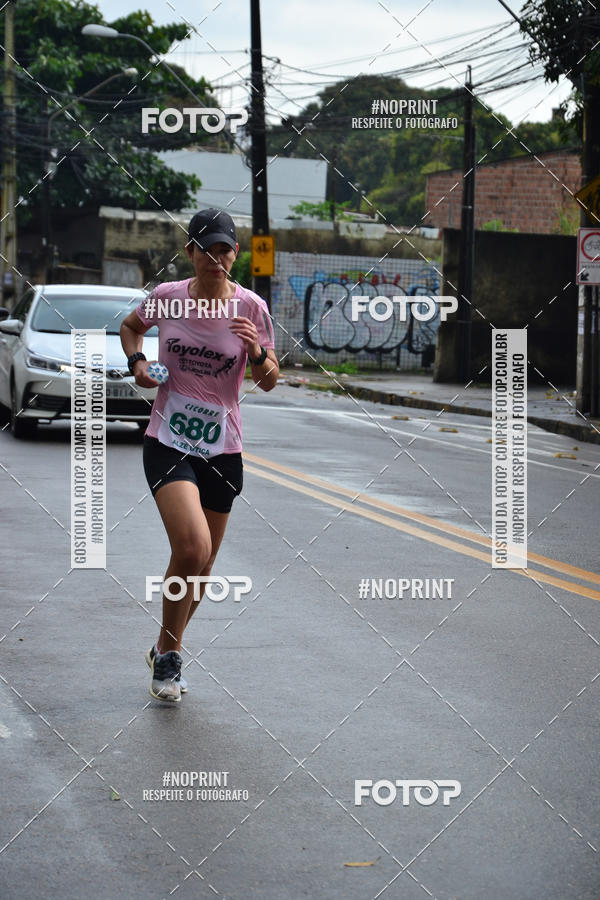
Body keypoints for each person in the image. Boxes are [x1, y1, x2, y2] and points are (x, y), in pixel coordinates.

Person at [120, 209, 278, 702]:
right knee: (192, 549)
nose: (217, 258)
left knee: (203, 575)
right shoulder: (167, 299)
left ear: (236, 254)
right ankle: (168, 662)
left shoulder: (251, 308)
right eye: (206, 249)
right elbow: (130, 326)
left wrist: (256, 354)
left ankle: (164, 645)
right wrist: (139, 362)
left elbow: (270, 380)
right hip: (168, 440)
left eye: (226, 249)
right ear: (190, 252)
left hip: (223, 450)